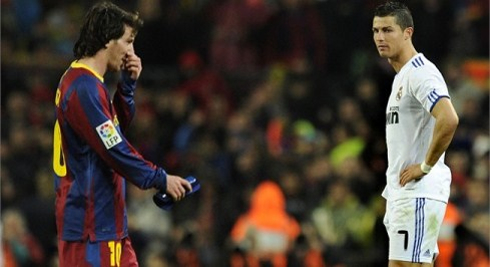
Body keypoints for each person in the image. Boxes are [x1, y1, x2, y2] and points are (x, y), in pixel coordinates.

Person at [52, 2, 192, 266]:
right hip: (91, 227)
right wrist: (160, 178)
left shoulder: (89, 83)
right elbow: (114, 148)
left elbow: (112, 133)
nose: (132, 52)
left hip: (105, 222)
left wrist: (126, 88)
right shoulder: (84, 87)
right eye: (128, 42)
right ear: (107, 40)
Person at [372, 2, 459, 267]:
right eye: (376, 30)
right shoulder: (401, 77)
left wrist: (425, 166)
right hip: (405, 194)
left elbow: (449, 118)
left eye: (388, 30)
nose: (380, 37)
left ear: (408, 32)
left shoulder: (420, 73)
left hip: (418, 193)